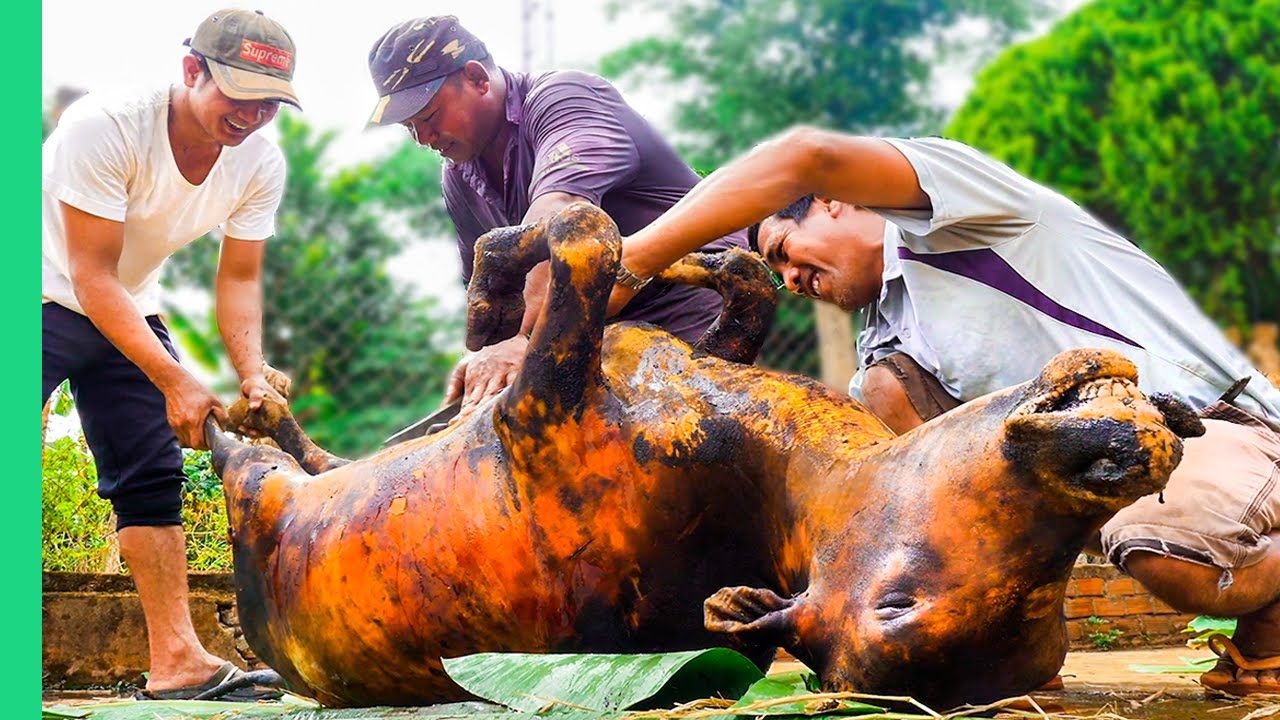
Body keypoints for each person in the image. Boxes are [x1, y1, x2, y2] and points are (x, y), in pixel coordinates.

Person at [614, 127, 1280, 695]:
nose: (788, 282)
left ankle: (1268, 621)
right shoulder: (885, 337)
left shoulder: (974, 213)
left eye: (784, 251)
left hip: (1211, 426)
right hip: (1086, 470)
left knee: (1173, 549)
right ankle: (1018, 658)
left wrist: (636, 260)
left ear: (836, 202)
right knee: (880, 396)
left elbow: (803, 153)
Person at [42, 8, 300, 701]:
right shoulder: (106, 126)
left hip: (124, 302)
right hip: (37, 291)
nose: (251, 116)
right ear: (192, 71)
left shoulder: (258, 161)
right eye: (238, 95)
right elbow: (88, 274)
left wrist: (250, 374)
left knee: (152, 475)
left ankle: (178, 662)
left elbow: (240, 277)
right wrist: (175, 377)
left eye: (269, 103)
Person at [365, 15, 747, 416]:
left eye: (428, 117)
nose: (424, 139)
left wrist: (522, 338)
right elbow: (488, 290)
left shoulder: (564, 97)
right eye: (410, 128)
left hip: (694, 297)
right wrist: (485, 360)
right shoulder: (459, 175)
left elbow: (562, 218)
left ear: (477, 78)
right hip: (596, 328)